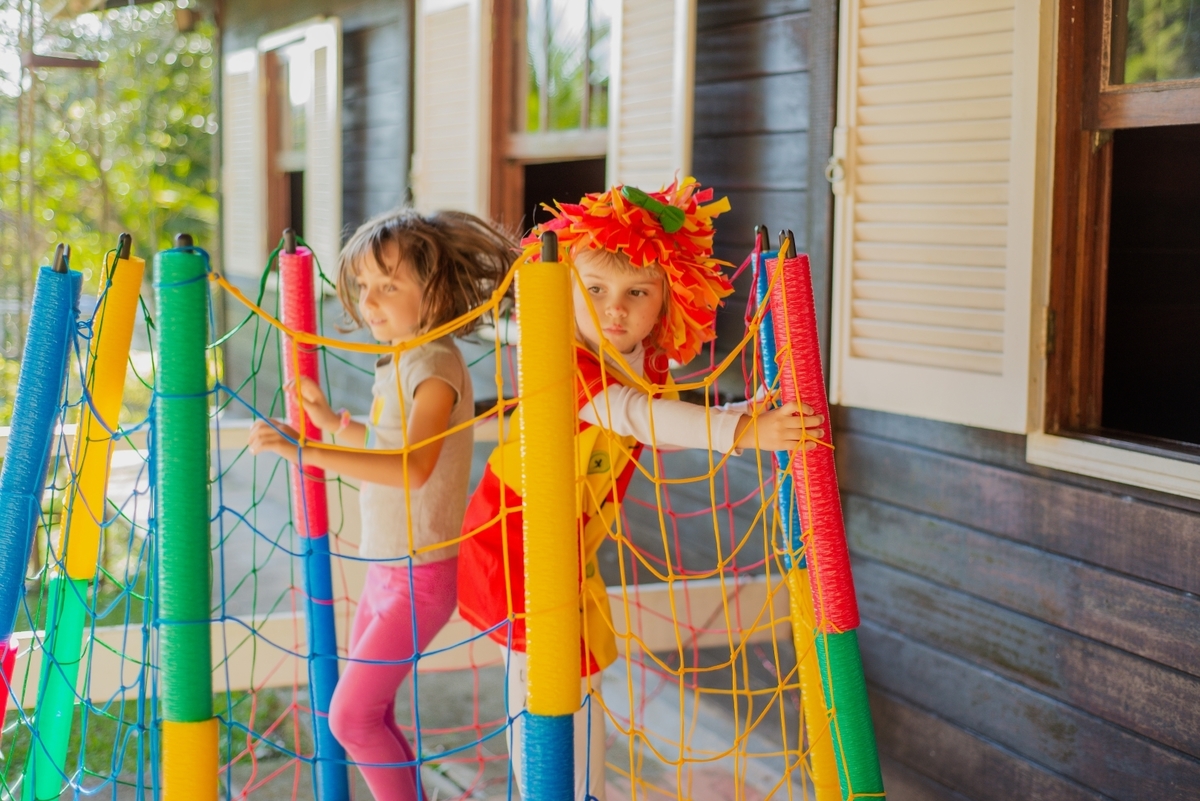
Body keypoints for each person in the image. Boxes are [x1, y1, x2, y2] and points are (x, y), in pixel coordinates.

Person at [456, 180, 826, 801]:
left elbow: (658, 431)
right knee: (544, 704)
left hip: (570, 546)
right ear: (566, 290)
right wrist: (740, 431)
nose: (615, 309)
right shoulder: (563, 362)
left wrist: (740, 412)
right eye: (594, 289)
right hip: (513, 546)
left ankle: (582, 792)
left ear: (668, 296)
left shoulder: (642, 361)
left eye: (637, 293)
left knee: (581, 693)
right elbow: (634, 417)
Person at [249, 208, 514, 800]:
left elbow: (412, 467)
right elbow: (383, 444)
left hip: (420, 580)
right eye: (364, 287)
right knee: (372, 715)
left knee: (350, 719)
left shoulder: (436, 365)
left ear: (436, 291)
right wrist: (328, 424)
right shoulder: (403, 358)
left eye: (389, 286)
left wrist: (305, 453)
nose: (370, 303)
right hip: (387, 575)